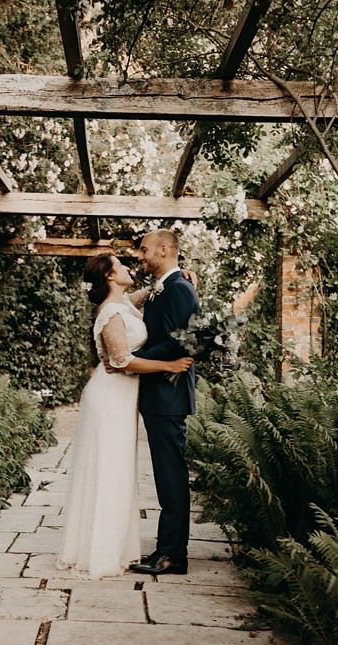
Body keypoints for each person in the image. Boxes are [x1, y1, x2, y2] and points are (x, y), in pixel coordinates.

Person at [56, 254, 193, 579]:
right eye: (121, 266)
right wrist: (168, 365)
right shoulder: (110, 311)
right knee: (108, 470)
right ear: (109, 275)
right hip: (109, 398)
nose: (130, 268)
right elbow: (120, 360)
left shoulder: (123, 303)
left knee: (117, 470)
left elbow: (149, 293)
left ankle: (115, 544)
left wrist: (179, 276)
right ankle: (100, 551)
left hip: (122, 398)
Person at [124, 229, 198, 576]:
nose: (140, 255)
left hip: (169, 395)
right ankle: (167, 548)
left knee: (171, 478)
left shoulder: (179, 289)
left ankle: (172, 554)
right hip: (158, 396)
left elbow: (179, 344)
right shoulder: (164, 288)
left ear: (165, 249)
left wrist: (131, 357)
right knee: (165, 476)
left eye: (144, 249)